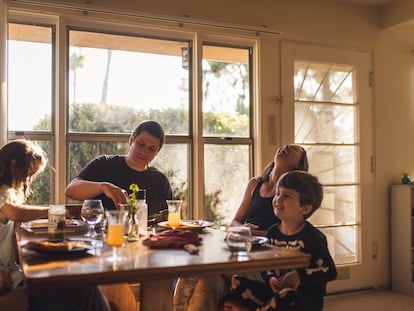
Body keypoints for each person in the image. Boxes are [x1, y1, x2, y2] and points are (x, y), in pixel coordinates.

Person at [173, 144, 309, 311]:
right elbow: (235, 222)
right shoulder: (255, 184)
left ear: (298, 166)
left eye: (294, 149)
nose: (285, 147)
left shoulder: (292, 195)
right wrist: (244, 229)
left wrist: (255, 233)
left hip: (265, 260)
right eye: (285, 145)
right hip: (241, 250)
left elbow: (291, 233)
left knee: (201, 270)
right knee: (205, 279)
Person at [0, 139, 111, 311]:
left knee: (85, 285)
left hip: (13, 273)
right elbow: (15, 213)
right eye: (28, 174)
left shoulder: (10, 192)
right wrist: (53, 211)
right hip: (7, 278)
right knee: (86, 288)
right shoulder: (2, 192)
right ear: (13, 165)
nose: (28, 180)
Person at [225, 170, 337, 311]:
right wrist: (271, 278)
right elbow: (267, 265)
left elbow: (330, 271)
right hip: (275, 291)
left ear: (305, 208)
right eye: (278, 193)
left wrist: (299, 276)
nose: (278, 199)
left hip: (302, 299)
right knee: (236, 281)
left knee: (286, 295)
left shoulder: (312, 238)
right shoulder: (273, 232)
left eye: (287, 196)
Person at [65, 120, 173, 214]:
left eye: (152, 148)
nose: (145, 151)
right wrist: (102, 187)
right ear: (131, 140)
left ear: (157, 152)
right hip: (101, 235)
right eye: (141, 144)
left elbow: (167, 223)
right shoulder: (105, 164)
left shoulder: (160, 182)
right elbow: (70, 190)